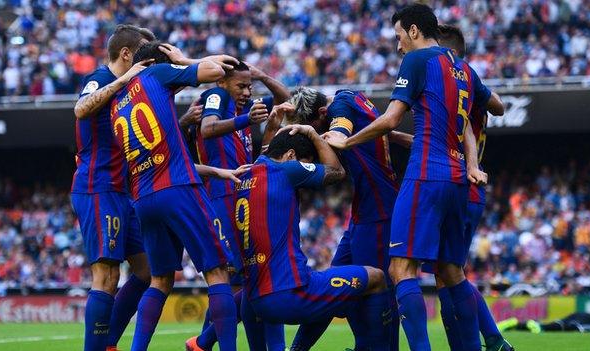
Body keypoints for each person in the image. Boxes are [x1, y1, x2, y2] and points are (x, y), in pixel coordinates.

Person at [325, 4, 488, 351]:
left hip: (426, 175)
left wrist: (347, 140)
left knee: (401, 269)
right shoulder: (464, 68)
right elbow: (477, 122)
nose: (398, 46)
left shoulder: (417, 60)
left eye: (399, 36)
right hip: (459, 181)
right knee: (451, 271)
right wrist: (473, 165)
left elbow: (391, 118)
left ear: (413, 31)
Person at [109, 41, 239, 351]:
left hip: (143, 196)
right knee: (218, 273)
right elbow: (215, 71)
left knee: (160, 280)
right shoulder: (157, 74)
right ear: (157, 61)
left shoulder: (117, 104)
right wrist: (183, 59)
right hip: (178, 188)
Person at [274, 87, 410, 351]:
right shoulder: (350, 95)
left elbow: (340, 131)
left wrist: (321, 135)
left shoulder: (340, 107)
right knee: (332, 290)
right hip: (364, 213)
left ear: (322, 113)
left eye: (312, 123)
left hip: (380, 213)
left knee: (378, 290)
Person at [235, 125, 393, 351]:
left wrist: (272, 127)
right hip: (290, 293)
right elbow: (336, 172)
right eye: (306, 161)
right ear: (290, 156)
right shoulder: (285, 170)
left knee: (330, 289)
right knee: (376, 277)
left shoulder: (245, 176)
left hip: (254, 300)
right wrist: (310, 132)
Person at [420, 24, 512, 351]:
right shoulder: (470, 83)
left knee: (451, 274)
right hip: (467, 184)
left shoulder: (459, 77)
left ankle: (489, 339)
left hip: (461, 183)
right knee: (447, 273)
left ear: (450, 54)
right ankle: (489, 340)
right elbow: (499, 107)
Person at [187, 60, 290, 351]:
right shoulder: (216, 97)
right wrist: (248, 121)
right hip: (221, 195)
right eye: (241, 85)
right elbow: (207, 129)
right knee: (245, 278)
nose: (247, 91)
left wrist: (262, 75)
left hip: (241, 194)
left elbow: (286, 100)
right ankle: (205, 342)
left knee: (249, 277)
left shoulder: (244, 106)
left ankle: (203, 343)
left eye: (249, 86)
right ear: (223, 82)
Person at [71, 24, 156, 351]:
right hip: (98, 188)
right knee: (106, 276)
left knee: (147, 271)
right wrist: (123, 79)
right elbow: (80, 108)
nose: (147, 62)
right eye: (143, 54)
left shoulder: (131, 91)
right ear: (126, 54)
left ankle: (107, 343)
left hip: (122, 192)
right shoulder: (102, 78)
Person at [498, 313, 590, 333]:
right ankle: (539, 326)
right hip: (587, 319)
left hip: (581, 315)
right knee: (564, 326)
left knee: (559, 323)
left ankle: (516, 324)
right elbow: (579, 328)